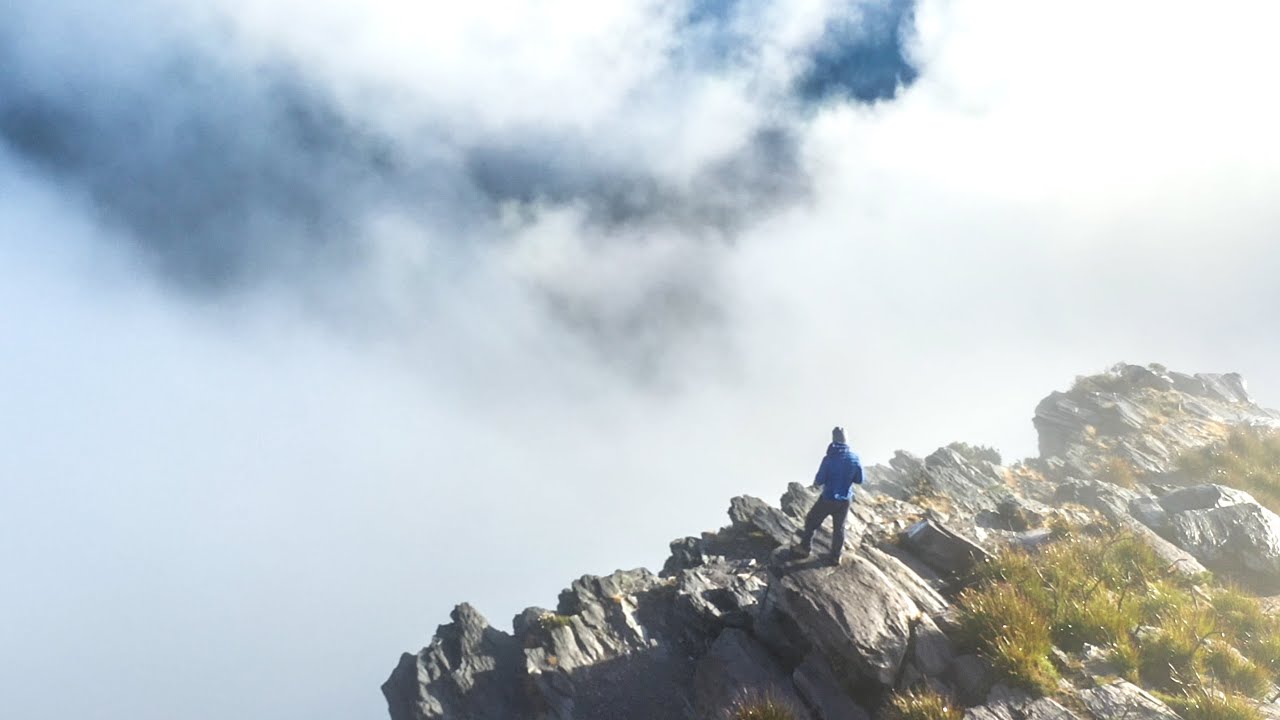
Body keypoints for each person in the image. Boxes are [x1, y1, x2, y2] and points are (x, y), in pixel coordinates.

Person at [794, 426, 863, 564]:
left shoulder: (829, 458)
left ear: (833, 440)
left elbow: (819, 480)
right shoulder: (854, 458)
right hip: (845, 499)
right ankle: (836, 556)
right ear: (846, 440)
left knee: (811, 520)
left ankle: (804, 548)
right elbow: (859, 479)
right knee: (839, 528)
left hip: (828, 498)